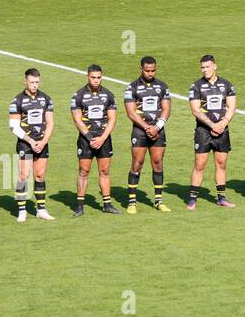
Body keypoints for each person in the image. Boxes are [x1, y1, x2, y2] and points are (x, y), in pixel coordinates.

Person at [187, 54, 237, 210]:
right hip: (203, 131)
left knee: (221, 163)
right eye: (202, 67)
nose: (205, 70)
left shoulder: (227, 85)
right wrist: (212, 125)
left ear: (215, 66)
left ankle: (221, 198)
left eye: (207, 67)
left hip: (222, 129)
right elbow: (195, 110)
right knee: (200, 164)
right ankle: (193, 198)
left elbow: (232, 107)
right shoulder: (196, 86)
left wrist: (223, 123)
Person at [70, 64, 120, 216]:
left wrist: (102, 137)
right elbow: (77, 120)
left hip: (104, 139)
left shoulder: (109, 95)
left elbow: (112, 119)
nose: (96, 80)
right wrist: (92, 138)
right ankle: (80, 205)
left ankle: (107, 204)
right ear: (87, 77)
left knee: (104, 171)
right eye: (93, 77)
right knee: (84, 171)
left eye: (98, 77)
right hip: (86, 140)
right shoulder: (78, 95)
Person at [123, 56, 171, 214]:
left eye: (153, 70)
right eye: (147, 70)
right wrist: (146, 127)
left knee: (157, 163)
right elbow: (131, 112)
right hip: (139, 131)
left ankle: (158, 201)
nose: (150, 73)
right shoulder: (132, 87)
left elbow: (166, 109)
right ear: (141, 69)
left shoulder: (162, 86)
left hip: (158, 130)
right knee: (137, 163)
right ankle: (131, 202)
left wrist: (157, 127)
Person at [9, 68, 56, 222]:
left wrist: (43, 142)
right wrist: (31, 141)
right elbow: (14, 127)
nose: (35, 85)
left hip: (42, 143)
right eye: (32, 82)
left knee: (40, 176)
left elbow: (50, 123)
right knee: (23, 175)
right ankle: (22, 210)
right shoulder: (17, 100)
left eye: (37, 82)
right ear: (25, 82)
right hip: (25, 143)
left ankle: (41, 209)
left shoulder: (46, 99)